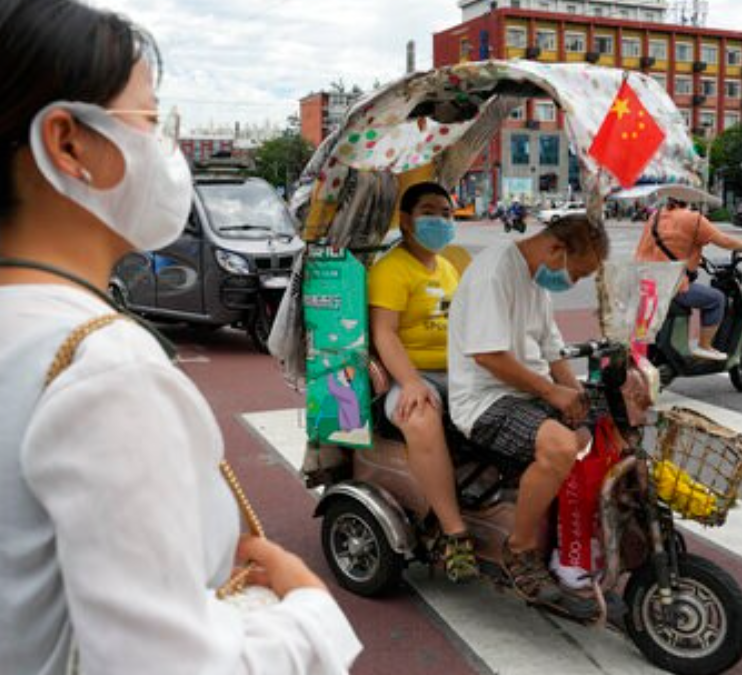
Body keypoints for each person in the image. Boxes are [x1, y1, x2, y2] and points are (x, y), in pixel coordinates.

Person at [0, 2, 361, 674]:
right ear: (68, 142)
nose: (165, 150)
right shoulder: (103, 366)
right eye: (149, 120)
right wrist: (309, 609)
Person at [448, 214, 609, 604]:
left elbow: (552, 351)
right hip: (485, 399)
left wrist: (578, 398)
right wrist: (554, 396)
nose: (576, 282)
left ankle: (579, 532)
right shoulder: (494, 274)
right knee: (559, 447)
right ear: (556, 249)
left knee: (611, 419)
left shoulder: (537, 279)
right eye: (579, 273)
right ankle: (519, 551)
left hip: (528, 390)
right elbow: (488, 355)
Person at [367, 182, 478, 583]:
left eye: (447, 214)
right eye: (430, 212)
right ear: (407, 220)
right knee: (420, 417)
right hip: (410, 374)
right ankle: (454, 534)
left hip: (457, 372)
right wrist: (411, 382)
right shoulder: (391, 270)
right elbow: (385, 334)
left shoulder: (447, 267)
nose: (441, 220)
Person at [635, 197, 742, 361]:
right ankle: (704, 345)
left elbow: (667, 246)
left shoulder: (655, 216)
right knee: (716, 299)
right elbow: (725, 241)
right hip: (672, 285)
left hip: (645, 282)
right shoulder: (695, 219)